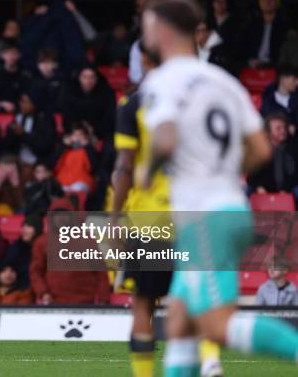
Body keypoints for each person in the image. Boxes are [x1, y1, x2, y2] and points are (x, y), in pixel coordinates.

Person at [140, 0, 297, 374]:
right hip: (229, 208)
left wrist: (148, 170)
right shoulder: (223, 82)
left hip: (205, 216)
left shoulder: (164, 78)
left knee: (215, 323)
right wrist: (222, 170)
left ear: (161, 30)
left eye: (145, 23)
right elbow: (261, 148)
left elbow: (165, 137)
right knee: (179, 320)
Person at [111, 41, 222, 377]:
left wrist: (116, 217)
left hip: (150, 218)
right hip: (194, 211)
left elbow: (124, 166)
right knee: (196, 295)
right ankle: (210, 359)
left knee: (143, 302)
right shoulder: (200, 99)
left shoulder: (133, 104)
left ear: (143, 60)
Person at [29, 198, 110, 305]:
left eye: (65, 214)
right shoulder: (42, 242)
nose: (60, 218)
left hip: (87, 303)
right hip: (53, 303)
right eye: (56, 215)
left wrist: (102, 299)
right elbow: (36, 272)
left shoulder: (87, 240)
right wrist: (43, 292)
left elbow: (101, 273)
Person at [247, 113, 298, 199]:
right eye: (278, 128)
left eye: (284, 127)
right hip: (265, 190)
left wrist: (286, 190)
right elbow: (252, 177)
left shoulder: (293, 146)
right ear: (268, 132)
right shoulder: (262, 150)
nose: (283, 131)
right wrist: (259, 187)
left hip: (290, 190)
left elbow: (295, 175)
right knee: (247, 192)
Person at [60, 66, 116, 143]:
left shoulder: (107, 93)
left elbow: (109, 117)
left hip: (100, 133)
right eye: (85, 77)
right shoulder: (70, 93)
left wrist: (93, 130)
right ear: (79, 78)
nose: (88, 81)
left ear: (96, 79)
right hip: (75, 131)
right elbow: (67, 116)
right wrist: (79, 130)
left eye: (92, 77)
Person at [5, 92, 57, 169]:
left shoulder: (45, 119)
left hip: (39, 158)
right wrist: (11, 131)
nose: (22, 105)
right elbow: (8, 145)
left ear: (34, 103)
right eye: (21, 101)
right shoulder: (19, 116)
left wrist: (23, 134)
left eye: (25, 102)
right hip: (18, 157)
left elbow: (44, 146)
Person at [243, 0, 288, 68]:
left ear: (277, 3)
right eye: (265, 0)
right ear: (260, 4)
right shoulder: (251, 25)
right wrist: (249, 61)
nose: (268, 2)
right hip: (252, 65)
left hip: (275, 66)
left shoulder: (284, 26)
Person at [53, 123, 99, 193]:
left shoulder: (88, 150)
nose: (77, 137)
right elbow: (54, 166)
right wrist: (63, 146)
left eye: (80, 135)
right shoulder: (64, 149)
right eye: (75, 135)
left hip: (82, 182)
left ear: (85, 137)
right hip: (62, 182)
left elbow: (93, 168)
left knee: (78, 188)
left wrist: (88, 146)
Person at [0, 43, 32, 113]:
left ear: (19, 55)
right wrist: (2, 104)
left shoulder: (25, 76)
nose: (11, 57)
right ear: (2, 55)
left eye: (14, 54)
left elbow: (27, 98)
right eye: (8, 53)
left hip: (19, 112)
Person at [3, 215, 43, 288]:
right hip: (18, 286)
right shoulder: (17, 246)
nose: (24, 229)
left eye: (29, 226)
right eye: (23, 226)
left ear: (37, 229)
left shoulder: (44, 247)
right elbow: (8, 264)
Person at [260, 64, 298, 130]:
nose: (297, 83)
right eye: (294, 79)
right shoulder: (266, 99)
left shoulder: (296, 100)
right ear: (282, 79)